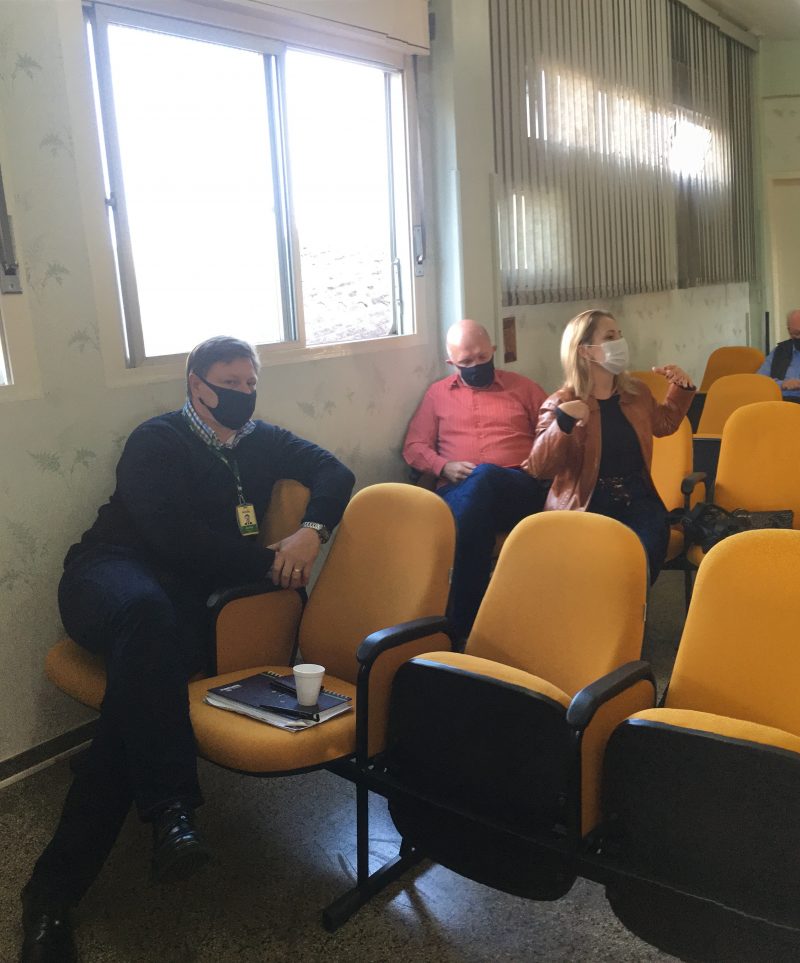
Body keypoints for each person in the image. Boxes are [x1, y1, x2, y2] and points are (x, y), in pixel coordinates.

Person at [19, 337, 354, 963]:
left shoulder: (261, 438)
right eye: (230, 382)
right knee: (147, 622)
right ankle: (171, 805)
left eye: (251, 382)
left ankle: (51, 893)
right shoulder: (156, 439)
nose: (243, 393)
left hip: (181, 605)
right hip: (108, 576)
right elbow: (171, 536)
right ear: (196, 385)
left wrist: (312, 532)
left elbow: (336, 472)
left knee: (134, 702)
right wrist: (270, 560)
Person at [401, 319, 551, 639]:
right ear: (451, 362)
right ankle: (476, 625)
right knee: (473, 506)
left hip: (516, 488)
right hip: (458, 491)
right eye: (466, 361)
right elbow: (413, 447)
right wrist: (443, 466)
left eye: (482, 357)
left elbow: (555, 437)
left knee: (483, 477)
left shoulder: (523, 388)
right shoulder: (437, 395)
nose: (476, 366)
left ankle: (457, 626)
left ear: (494, 350)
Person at [526, 310, 695, 581]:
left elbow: (664, 425)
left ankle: (633, 607)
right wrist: (562, 423)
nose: (619, 342)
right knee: (597, 569)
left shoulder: (636, 393)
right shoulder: (561, 401)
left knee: (639, 560)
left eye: (619, 335)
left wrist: (681, 389)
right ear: (585, 351)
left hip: (637, 497)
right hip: (586, 501)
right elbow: (539, 468)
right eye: (609, 337)